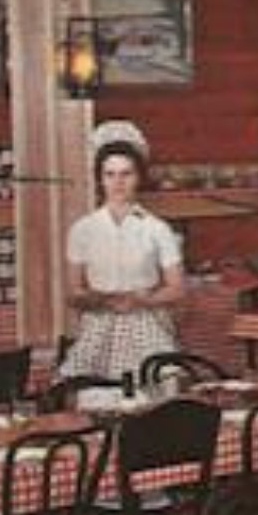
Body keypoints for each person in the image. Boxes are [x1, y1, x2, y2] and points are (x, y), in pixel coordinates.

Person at [60, 122, 186, 383]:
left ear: (138, 177)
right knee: (88, 393)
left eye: (126, 174)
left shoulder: (156, 228)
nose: (118, 183)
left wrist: (142, 300)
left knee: (157, 393)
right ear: (99, 179)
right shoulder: (83, 230)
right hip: (98, 327)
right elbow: (73, 293)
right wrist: (102, 300)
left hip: (147, 326)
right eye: (110, 174)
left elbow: (176, 288)